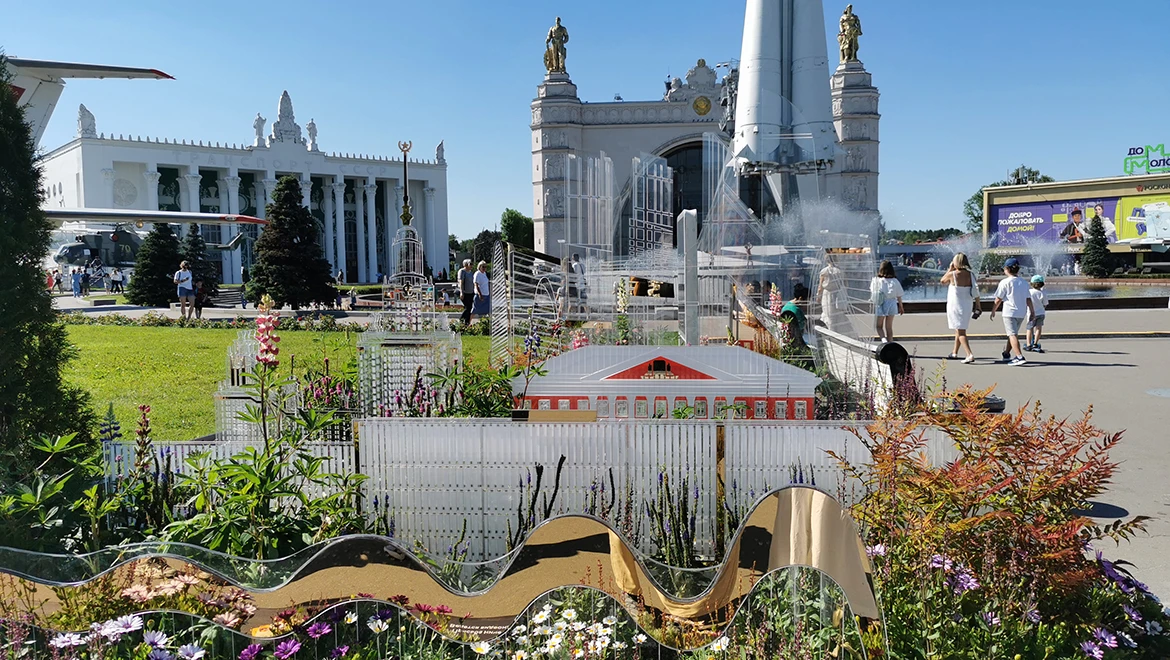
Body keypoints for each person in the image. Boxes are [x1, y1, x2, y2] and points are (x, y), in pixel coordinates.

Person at [989, 257, 1034, 366]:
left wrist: (993, 310)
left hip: (1009, 312)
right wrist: (1032, 311)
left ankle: (1019, 357)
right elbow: (1028, 299)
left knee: (1012, 334)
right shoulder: (1023, 282)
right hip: (1021, 312)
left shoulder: (1004, 282)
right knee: (1013, 334)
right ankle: (1006, 353)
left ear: (1006, 269)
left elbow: (998, 298)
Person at [941, 253, 979, 363]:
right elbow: (976, 291)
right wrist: (978, 305)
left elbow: (942, 281)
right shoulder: (971, 275)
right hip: (967, 305)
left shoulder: (953, 274)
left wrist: (949, 269)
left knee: (961, 331)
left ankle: (969, 354)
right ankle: (954, 352)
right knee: (959, 329)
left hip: (955, 305)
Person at [869, 260, 904, 343]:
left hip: (880, 303)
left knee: (879, 326)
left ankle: (884, 341)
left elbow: (872, 292)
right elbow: (899, 296)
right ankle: (890, 344)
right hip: (892, 304)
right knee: (889, 327)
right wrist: (901, 307)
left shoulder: (876, 280)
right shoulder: (895, 281)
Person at [818, 254, 848, 333]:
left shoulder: (824, 271)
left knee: (828, 315)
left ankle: (831, 332)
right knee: (837, 315)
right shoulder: (840, 270)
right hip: (838, 294)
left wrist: (818, 296)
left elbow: (820, 287)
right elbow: (845, 284)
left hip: (827, 294)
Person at [1025, 275, 1049, 353]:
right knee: (1038, 328)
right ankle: (1035, 343)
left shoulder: (1029, 292)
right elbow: (1045, 304)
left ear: (1031, 283)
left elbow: (1026, 302)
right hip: (1041, 313)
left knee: (1029, 329)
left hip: (1031, 314)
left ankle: (1028, 344)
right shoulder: (1043, 293)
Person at [457, 259, 475, 324]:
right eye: (470, 264)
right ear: (466, 265)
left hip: (471, 292)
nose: (471, 265)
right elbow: (461, 282)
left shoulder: (471, 273)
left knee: (470, 308)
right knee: (468, 307)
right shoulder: (462, 271)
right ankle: (461, 320)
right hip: (464, 292)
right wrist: (461, 292)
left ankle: (467, 323)